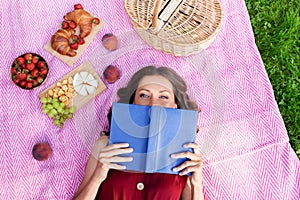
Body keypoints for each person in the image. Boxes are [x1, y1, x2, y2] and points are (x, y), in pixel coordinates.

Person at [74, 66, 204, 200]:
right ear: (133, 102)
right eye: (144, 95)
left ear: (174, 105)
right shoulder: (105, 145)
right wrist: (98, 176)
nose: (153, 104)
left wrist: (197, 184)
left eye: (163, 96)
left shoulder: (186, 152)